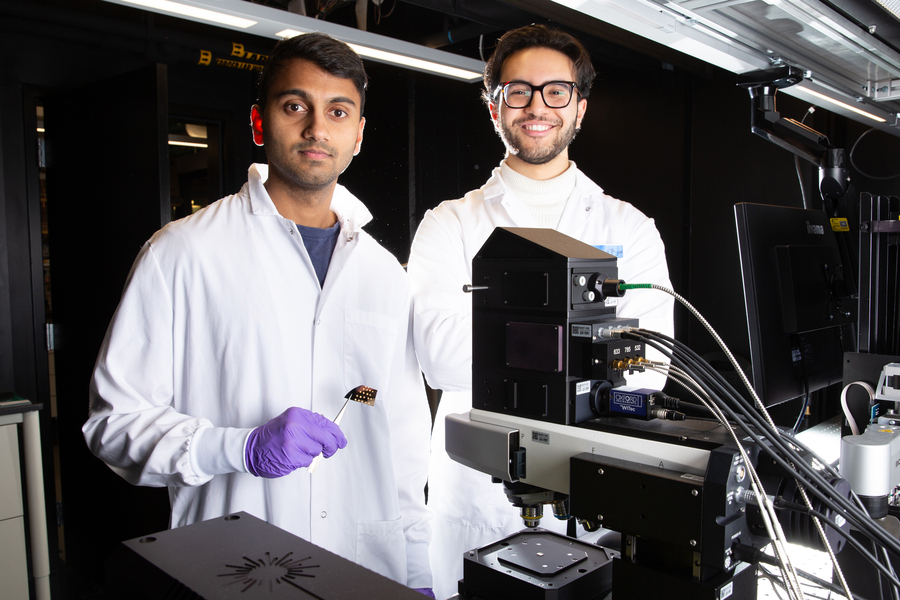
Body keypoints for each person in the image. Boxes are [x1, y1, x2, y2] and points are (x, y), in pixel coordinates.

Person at [83, 32, 433, 595]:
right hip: (229, 565)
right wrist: (237, 447)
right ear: (258, 122)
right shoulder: (182, 253)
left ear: (358, 135)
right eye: (295, 106)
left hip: (368, 568)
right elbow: (113, 425)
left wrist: (418, 572)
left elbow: (404, 442)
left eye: (337, 111)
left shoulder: (385, 273)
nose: (317, 128)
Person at [406, 24, 674, 599]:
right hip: (479, 496)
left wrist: (502, 331)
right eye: (518, 90)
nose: (537, 107)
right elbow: (443, 362)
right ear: (493, 104)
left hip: (596, 487)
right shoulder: (449, 224)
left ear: (579, 107)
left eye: (556, 91)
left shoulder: (628, 227)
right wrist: (588, 339)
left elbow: (648, 369)